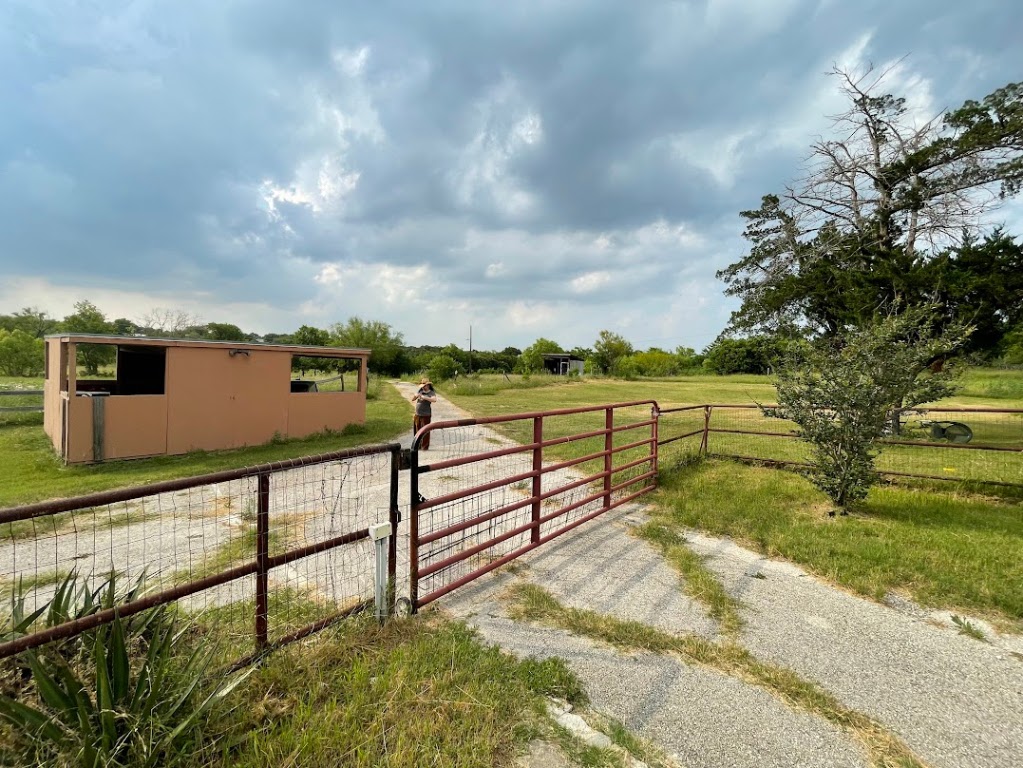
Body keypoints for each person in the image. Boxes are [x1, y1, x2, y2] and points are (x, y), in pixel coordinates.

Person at [411, 377, 438, 449]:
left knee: (425, 430)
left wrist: (424, 397)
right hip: (417, 414)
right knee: (417, 430)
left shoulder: (431, 392)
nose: (423, 387)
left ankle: (424, 446)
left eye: (424, 386)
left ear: (428, 385)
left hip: (425, 414)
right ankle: (417, 445)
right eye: (422, 386)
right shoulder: (420, 391)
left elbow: (434, 400)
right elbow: (412, 399)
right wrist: (415, 395)